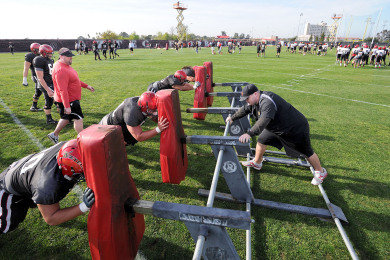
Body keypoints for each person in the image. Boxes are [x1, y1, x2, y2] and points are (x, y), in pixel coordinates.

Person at [225, 84, 327, 186]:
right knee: (262, 139)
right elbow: (244, 109)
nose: (246, 101)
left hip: (294, 127)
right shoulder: (253, 101)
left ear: (255, 94)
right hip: (277, 127)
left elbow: (264, 120)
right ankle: (257, 162)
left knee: (306, 151)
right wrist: (232, 118)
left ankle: (321, 172)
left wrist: (249, 134)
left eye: (247, 98)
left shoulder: (267, 101)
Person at [0, 140, 95, 234]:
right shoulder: (47, 186)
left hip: (24, 172)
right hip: (7, 187)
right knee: (6, 225)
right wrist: (84, 206)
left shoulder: (69, 147)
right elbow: (51, 218)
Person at [47, 48, 95, 144]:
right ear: (61, 57)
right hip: (70, 100)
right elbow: (62, 90)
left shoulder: (64, 65)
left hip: (70, 99)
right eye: (68, 57)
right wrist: (67, 106)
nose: (71, 58)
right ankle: (82, 140)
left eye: (71, 56)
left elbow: (74, 80)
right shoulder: (61, 70)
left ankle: (54, 134)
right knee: (78, 119)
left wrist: (86, 86)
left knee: (66, 118)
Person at [99, 91, 169, 146]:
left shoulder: (143, 102)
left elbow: (152, 114)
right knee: (115, 147)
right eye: (152, 110)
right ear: (144, 107)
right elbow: (139, 136)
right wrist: (158, 129)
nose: (155, 112)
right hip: (108, 127)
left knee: (127, 140)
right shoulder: (132, 113)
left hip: (120, 122)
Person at [32, 44, 57, 125]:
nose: (50, 54)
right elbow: (40, 77)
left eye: (51, 53)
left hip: (51, 82)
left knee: (50, 101)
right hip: (45, 83)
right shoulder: (38, 59)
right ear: (43, 52)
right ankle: (65, 117)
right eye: (49, 53)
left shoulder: (50, 60)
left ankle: (50, 119)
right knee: (56, 100)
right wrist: (48, 89)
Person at [23, 42, 43, 112]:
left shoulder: (41, 55)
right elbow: (26, 68)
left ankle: (34, 106)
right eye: (38, 49)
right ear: (33, 50)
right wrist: (24, 79)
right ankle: (59, 106)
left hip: (43, 75)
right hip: (36, 75)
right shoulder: (30, 56)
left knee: (39, 92)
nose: (39, 51)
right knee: (46, 90)